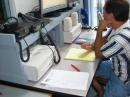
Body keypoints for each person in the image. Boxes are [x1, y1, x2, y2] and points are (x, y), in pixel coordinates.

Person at [82, 0, 130, 97]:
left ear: (111, 16)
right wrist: (92, 45)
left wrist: (99, 30)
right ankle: (101, 90)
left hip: (123, 77)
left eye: (104, 13)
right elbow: (104, 40)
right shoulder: (119, 25)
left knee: (92, 71)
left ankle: (101, 91)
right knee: (87, 70)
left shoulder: (121, 38)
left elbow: (98, 54)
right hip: (115, 65)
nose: (103, 15)